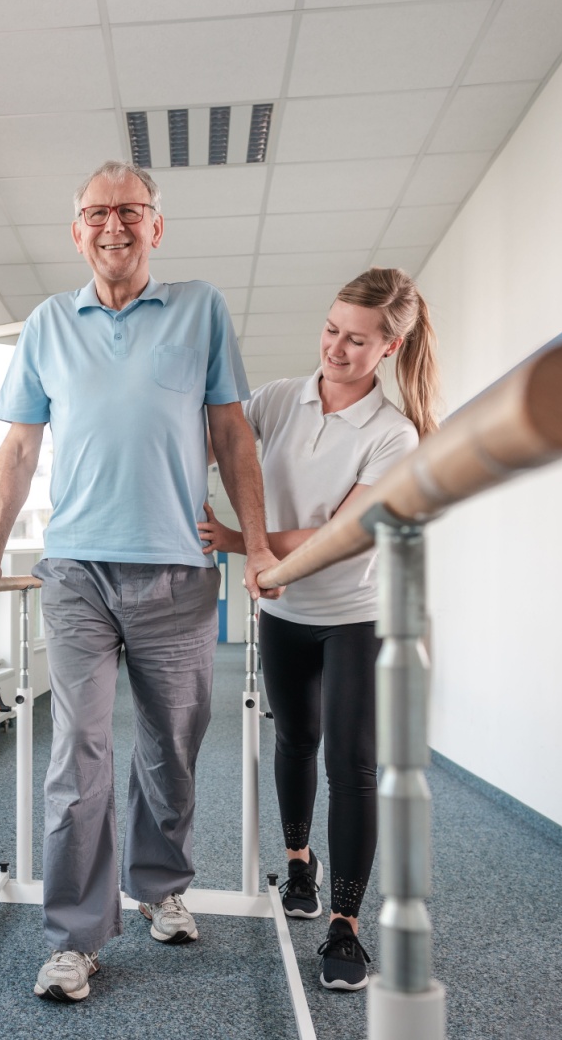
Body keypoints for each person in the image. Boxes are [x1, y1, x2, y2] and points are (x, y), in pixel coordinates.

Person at [0, 160, 280, 1004]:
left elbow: (233, 437)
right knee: (80, 755)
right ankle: (74, 936)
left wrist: (260, 550)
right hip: (76, 574)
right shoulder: (45, 325)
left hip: (177, 572)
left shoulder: (201, 309)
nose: (113, 225)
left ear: (156, 226)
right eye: (96, 212)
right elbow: (20, 449)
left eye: (130, 211)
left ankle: (161, 884)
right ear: (76, 230)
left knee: (171, 748)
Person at [198, 267, 441, 993]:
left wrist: (242, 542)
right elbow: (214, 447)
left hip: (353, 617)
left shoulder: (394, 435)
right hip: (283, 614)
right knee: (295, 740)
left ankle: (345, 924)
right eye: (332, 329)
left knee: (353, 765)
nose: (336, 347)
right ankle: (299, 860)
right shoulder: (277, 400)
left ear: (389, 348)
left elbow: (345, 533)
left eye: (356, 339)